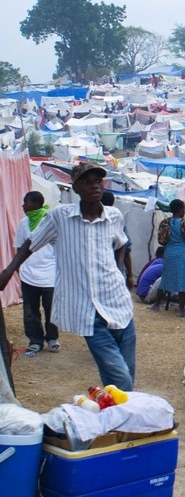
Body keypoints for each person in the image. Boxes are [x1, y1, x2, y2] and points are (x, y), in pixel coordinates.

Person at [0, 162, 136, 390]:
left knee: (123, 374)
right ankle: (128, 414)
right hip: (88, 311)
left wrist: (120, 270)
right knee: (121, 377)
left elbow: (122, 243)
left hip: (119, 303)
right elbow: (31, 243)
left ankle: (114, 417)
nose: (94, 186)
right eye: (87, 182)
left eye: (98, 181)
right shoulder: (60, 218)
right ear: (75, 188)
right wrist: (8, 270)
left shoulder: (114, 216)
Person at [13, 191, 59, 356]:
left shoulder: (50, 223)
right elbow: (19, 248)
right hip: (28, 275)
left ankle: (52, 338)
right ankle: (35, 341)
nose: (23, 206)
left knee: (51, 309)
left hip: (50, 276)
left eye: (27, 202)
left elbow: (59, 249)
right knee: (30, 311)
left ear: (38, 204)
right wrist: (18, 268)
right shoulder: (23, 224)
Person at [148, 199, 185, 317]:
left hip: (169, 252)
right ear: (180, 210)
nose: (184, 211)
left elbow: (162, 239)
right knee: (184, 280)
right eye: (184, 209)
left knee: (166, 278)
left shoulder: (165, 222)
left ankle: (156, 304)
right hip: (183, 253)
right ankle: (181, 310)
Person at [101, 191, 134, 289]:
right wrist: (130, 276)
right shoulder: (117, 219)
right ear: (113, 202)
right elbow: (126, 250)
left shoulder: (90, 219)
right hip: (115, 270)